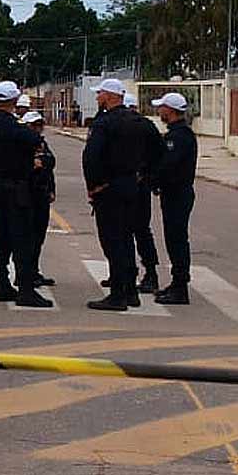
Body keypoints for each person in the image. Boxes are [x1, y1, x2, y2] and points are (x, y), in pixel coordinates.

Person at [0, 81, 51, 307]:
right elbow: (35, 141)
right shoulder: (13, 126)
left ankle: (1, 285)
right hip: (16, 188)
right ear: (14, 100)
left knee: (1, 237)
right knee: (23, 238)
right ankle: (26, 290)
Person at [83, 79, 145, 311]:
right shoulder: (138, 122)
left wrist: (94, 185)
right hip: (130, 186)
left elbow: (92, 156)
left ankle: (117, 295)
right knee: (127, 239)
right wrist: (142, 175)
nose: (97, 97)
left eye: (100, 94)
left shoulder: (104, 123)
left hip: (108, 189)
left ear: (109, 96)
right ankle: (131, 291)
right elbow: (157, 151)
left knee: (112, 241)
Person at [152, 92, 198, 305]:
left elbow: (168, 166)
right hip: (174, 192)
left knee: (177, 240)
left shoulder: (178, 137)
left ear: (170, 110)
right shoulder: (177, 134)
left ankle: (180, 287)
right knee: (173, 239)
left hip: (178, 194)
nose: (158, 111)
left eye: (161, 107)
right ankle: (177, 283)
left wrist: (152, 179)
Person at [125, 93, 165, 293]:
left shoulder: (120, 126)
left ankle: (137, 274)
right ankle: (147, 273)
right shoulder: (148, 126)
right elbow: (160, 154)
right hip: (140, 185)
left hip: (129, 185)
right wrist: (150, 178)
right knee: (141, 231)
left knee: (128, 231)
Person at [23, 111, 56, 288]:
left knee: (39, 237)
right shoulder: (23, 143)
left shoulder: (42, 143)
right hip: (29, 194)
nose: (38, 128)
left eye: (40, 125)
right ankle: (26, 274)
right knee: (28, 237)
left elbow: (49, 165)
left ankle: (34, 271)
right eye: (34, 125)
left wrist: (51, 190)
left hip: (42, 193)